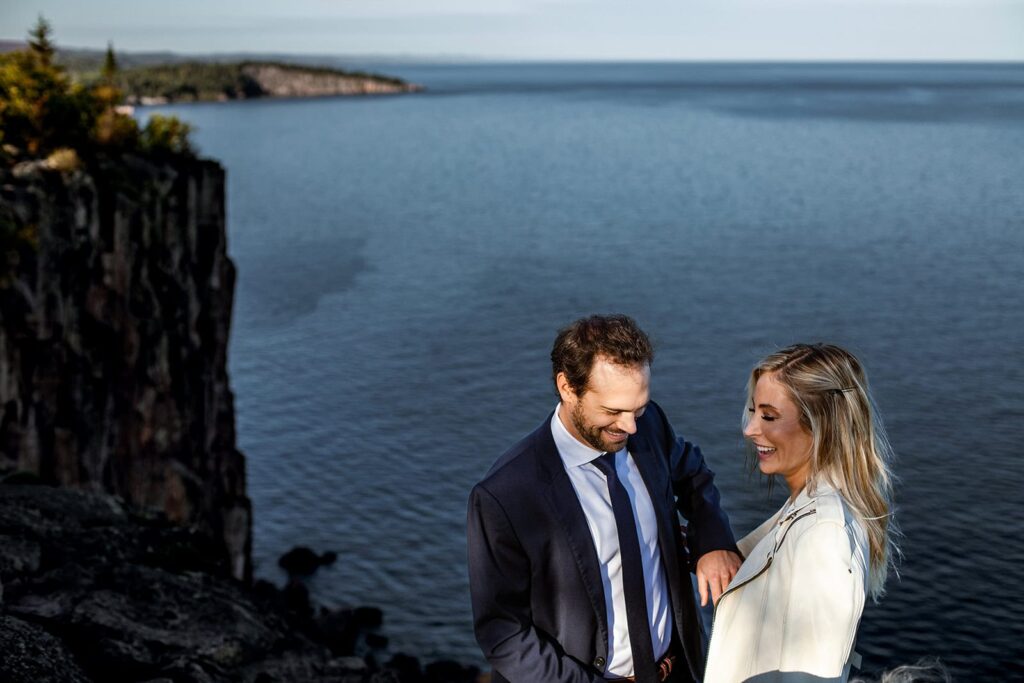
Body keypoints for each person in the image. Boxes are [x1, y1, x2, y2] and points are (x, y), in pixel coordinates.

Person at [467, 314, 742, 683]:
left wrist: (713, 540)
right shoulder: (506, 495)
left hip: (678, 672)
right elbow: (504, 635)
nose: (629, 426)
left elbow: (692, 472)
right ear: (567, 388)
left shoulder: (650, 426)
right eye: (613, 411)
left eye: (638, 408)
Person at [703, 343, 898, 683]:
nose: (749, 429)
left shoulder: (824, 534)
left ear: (821, 425)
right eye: (753, 411)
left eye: (769, 416)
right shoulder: (807, 506)